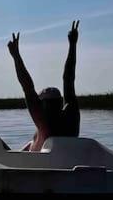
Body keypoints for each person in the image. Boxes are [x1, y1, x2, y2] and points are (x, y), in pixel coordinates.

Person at [7, 20, 80, 152]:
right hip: (62, 160)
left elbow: (27, 86)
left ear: (43, 105)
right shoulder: (71, 116)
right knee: (31, 142)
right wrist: (73, 44)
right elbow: (69, 80)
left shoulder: (44, 121)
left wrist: (16, 56)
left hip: (42, 164)